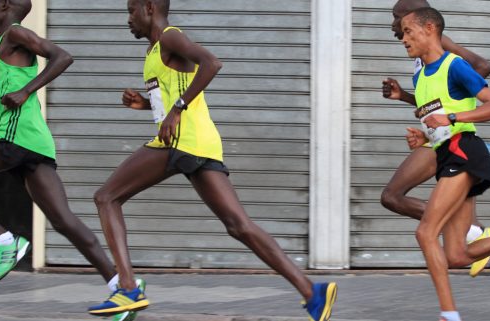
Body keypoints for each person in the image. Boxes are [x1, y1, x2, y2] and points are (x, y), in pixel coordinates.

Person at [86, 1, 337, 320]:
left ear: (149, 7)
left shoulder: (169, 37)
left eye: (131, 10)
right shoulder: (154, 50)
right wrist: (145, 105)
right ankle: (311, 292)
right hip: (197, 142)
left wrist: (176, 108)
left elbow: (211, 63)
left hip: (181, 143)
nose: (128, 19)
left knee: (106, 197)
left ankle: (127, 289)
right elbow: (174, 95)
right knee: (239, 226)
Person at [0, 1, 142, 321]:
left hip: (17, 136)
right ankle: (125, 288)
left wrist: (26, 91)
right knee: (63, 221)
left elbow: (62, 56)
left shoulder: (15, 33)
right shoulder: (7, 41)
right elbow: (12, 87)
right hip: (33, 138)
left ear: (5, 5)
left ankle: (5, 242)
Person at [382, 1, 490, 319]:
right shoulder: (419, 73)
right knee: (458, 255)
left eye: (403, 25)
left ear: (426, 27)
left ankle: (449, 315)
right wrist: (421, 132)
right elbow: (433, 111)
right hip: (444, 150)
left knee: (424, 231)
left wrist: (453, 115)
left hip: (463, 150)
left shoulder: (450, 61)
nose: (399, 31)